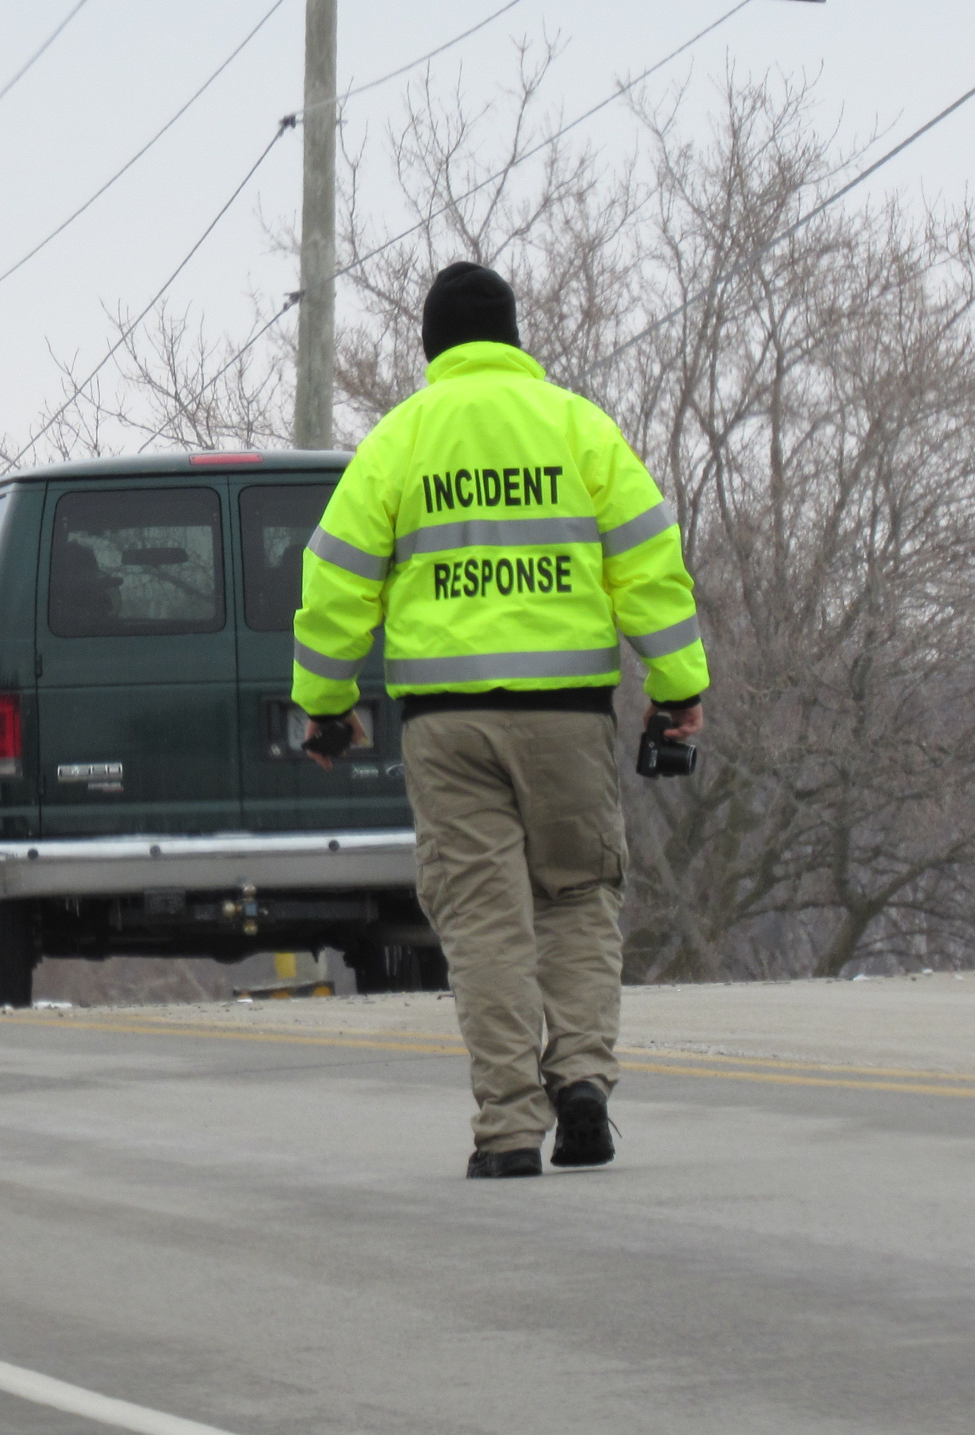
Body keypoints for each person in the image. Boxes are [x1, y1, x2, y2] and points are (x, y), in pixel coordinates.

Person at [288, 262, 708, 1179]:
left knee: (484, 920)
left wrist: (324, 707)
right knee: (576, 895)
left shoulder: (401, 439)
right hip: (568, 716)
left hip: (447, 725)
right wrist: (678, 688)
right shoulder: (578, 427)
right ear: (515, 339)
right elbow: (649, 563)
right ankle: (584, 1082)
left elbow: (334, 583)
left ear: (431, 347)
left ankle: (510, 1129)